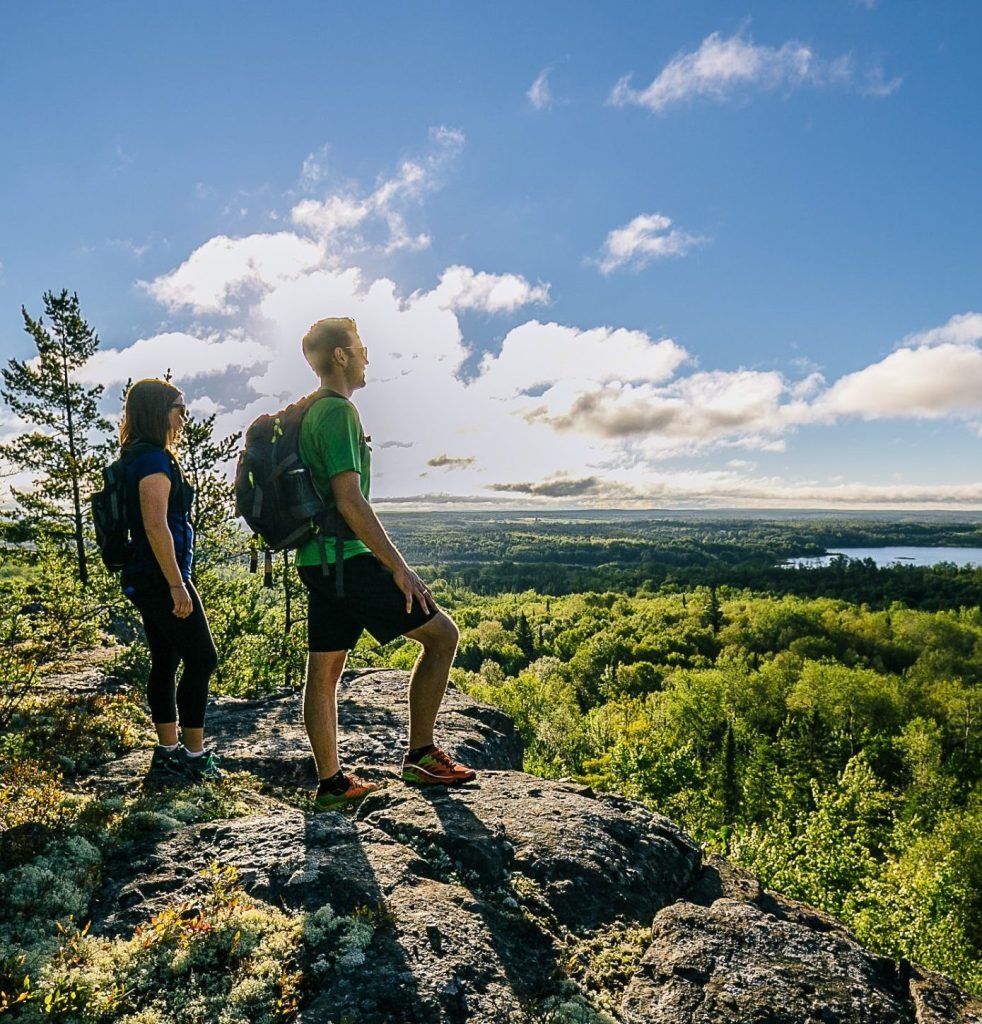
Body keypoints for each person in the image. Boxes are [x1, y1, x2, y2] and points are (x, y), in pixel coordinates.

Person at [296, 317, 476, 811]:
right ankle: (419, 754)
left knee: (325, 670)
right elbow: (350, 500)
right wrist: (398, 567)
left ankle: (332, 783)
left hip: (319, 559)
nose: (367, 355)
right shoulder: (338, 414)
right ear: (340, 355)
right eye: (361, 347)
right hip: (349, 559)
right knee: (443, 637)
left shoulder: (312, 413)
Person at [119, 379, 221, 783]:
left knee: (166, 659)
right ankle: (193, 758)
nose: (183, 414)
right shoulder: (153, 461)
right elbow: (156, 525)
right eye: (179, 406)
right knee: (202, 658)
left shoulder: (139, 455)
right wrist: (178, 585)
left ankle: (167, 752)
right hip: (163, 577)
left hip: (149, 576)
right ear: (158, 410)